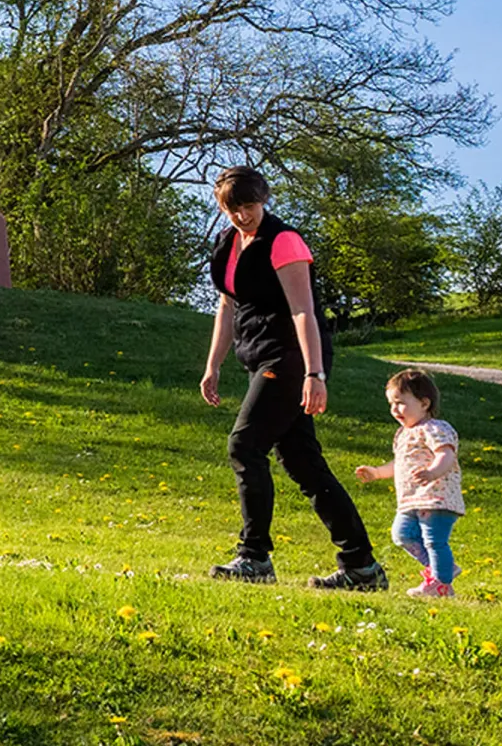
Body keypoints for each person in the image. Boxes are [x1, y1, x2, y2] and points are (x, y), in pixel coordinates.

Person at [197, 165, 387, 590]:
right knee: (303, 462)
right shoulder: (227, 242)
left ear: (263, 199)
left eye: (249, 205)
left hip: (291, 357)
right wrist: (213, 365)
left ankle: (254, 557)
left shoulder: (284, 241)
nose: (242, 215)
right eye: (232, 208)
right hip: (258, 356)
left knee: (245, 445)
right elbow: (228, 306)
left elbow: (303, 311)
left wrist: (314, 373)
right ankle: (362, 567)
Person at [355, 367, 465, 599]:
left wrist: (433, 472)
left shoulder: (436, 429)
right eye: (391, 404)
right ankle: (442, 569)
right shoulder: (403, 434)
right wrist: (377, 472)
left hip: (436, 497)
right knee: (402, 535)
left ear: (424, 403)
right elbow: (400, 464)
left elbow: (446, 454)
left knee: (434, 541)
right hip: (411, 499)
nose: (394, 410)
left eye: (400, 403)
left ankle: (441, 584)